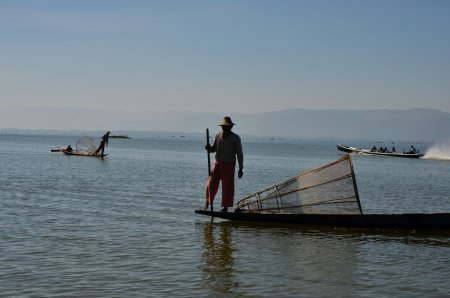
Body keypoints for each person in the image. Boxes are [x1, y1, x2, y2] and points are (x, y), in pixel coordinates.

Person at [205, 117, 244, 212]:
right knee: (211, 184)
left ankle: (225, 207)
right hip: (217, 163)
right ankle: (208, 203)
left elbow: (239, 153)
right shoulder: (218, 135)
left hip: (229, 164)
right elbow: (214, 148)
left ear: (231, 127)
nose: (225, 128)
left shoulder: (235, 138)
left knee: (227, 186)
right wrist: (208, 148)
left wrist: (240, 168)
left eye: (227, 126)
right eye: (223, 126)